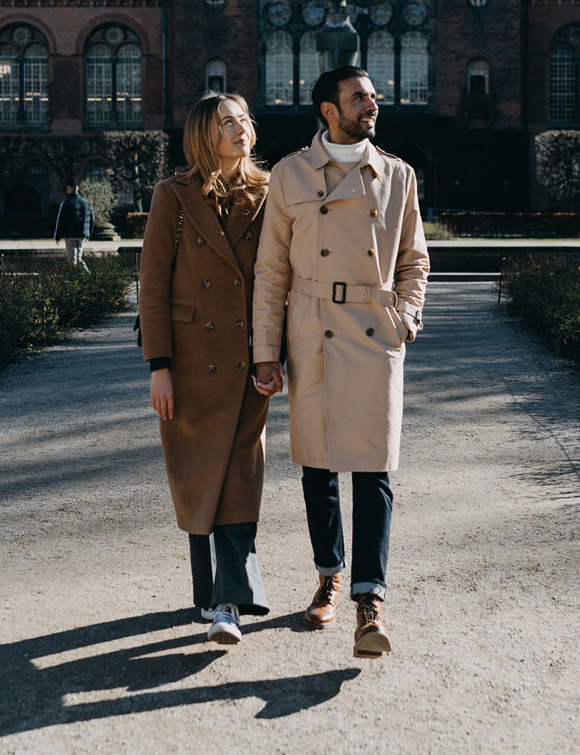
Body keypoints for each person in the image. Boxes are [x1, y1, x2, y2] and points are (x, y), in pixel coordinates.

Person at [252, 64, 429, 659]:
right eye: (359, 97)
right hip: (312, 332)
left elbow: (415, 260)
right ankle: (329, 573)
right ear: (328, 110)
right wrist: (265, 353)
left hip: (375, 334)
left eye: (374, 96)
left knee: (373, 470)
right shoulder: (291, 174)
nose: (372, 105)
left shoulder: (397, 175)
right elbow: (271, 270)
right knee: (318, 468)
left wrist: (404, 319)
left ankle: (369, 598)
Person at [138, 92, 278, 646]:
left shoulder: (271, 194)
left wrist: (274, 354)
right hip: (190, 363)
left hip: (248, 358)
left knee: (240, 473)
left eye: (244, 120)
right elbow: (153, 286)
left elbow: (278, 282)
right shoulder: (172, 196)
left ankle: (229, 601)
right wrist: (159, 366)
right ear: (204, 134)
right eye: (227, 123)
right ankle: (208, 591)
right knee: (200, 475)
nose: (241, 129)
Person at [52, 182, 93, 268]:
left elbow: (61, 221)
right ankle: (86, 276)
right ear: (77, 188)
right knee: (79, 258)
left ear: (68, 190)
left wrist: (58, 236)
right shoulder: (86, 203)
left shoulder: (66, 203)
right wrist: (88, 234)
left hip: (70, 234)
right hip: (82, 234)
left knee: (72, 260)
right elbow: (92, 219)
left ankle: (79, 276)